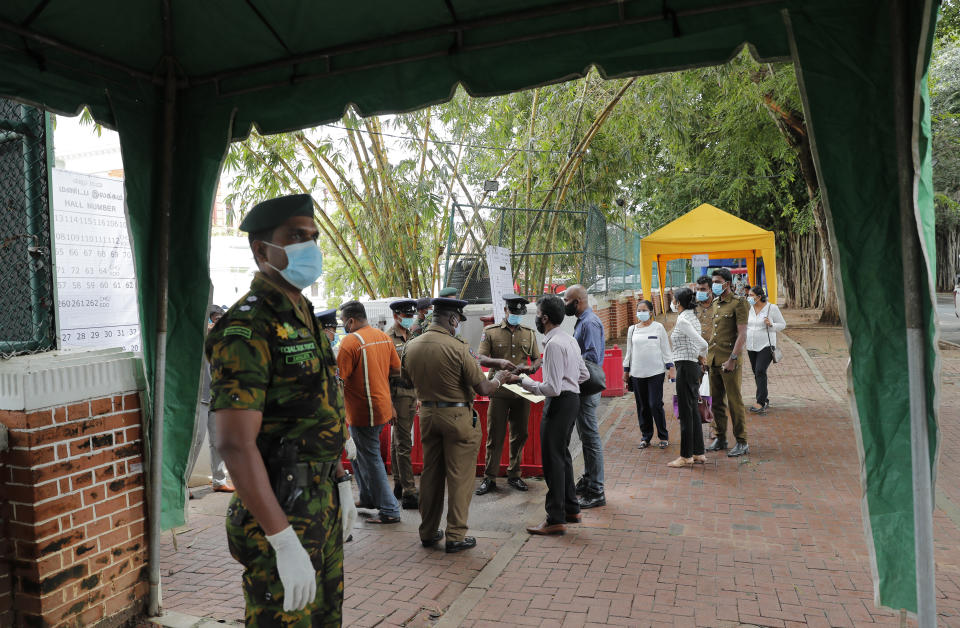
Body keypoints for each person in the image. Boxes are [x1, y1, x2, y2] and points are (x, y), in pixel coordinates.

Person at [206, 193, 353, 624]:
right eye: (296, 236)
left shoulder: (302, 311)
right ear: (262, 250)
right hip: (280, 507)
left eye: (313, 236)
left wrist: (340, 478)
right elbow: (234, 444)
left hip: (319, 498)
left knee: (326, 619)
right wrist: (282, 539)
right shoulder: (246, 326)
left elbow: (317, 409)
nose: (310, 246)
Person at [401, 297, 511, 553]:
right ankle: (456, 535)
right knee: (460, 478)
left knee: (431, 475)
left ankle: (427, 532)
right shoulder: (459, 347)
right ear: (452, 319)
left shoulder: (411, 346)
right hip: (458, 418)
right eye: (458, 321)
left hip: (426, 415)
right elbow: (484, 388)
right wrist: (500, 378)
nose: (457, 325)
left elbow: (406, 382)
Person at [507, 295, 588, 535]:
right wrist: (566, 380)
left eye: (538, 315)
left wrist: (524, 381)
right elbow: (583, 375)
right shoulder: (569, 339)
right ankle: (571, 508)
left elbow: (552, 387)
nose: (536, 319)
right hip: (572, 401)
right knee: (562, 456)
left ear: (545, 318)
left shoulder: (553, 344)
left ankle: (555, 518)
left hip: (559, 402)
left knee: (552, 461)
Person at [337, 300, 403, 524]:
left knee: (370, 459)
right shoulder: (383, 336)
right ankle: (367, 497)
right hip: (380, 407)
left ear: (351, 320)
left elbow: (338, 380)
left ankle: (389, 509)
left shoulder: (350, 343)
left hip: (364, 412)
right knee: (357, 455)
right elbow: (396, 369)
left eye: (343, 321)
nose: (343, 325)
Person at [476, 294, 542, 495]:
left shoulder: (529, 334)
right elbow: (481, 358)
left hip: (521, 390)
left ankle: (515, 474)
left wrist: (530, 369)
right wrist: (499, 363)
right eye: (513, 312)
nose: (516, 316)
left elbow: (537, 359)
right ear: (505, 311)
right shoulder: (491, 332)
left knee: (520, 434)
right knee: (495, 435)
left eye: (520, 313)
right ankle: (490, 477)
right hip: (499, 389)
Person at [563, 284, 606, 509]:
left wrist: (568, 359)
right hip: (583, 387)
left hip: (586, 388)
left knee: (590, 438)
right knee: (586, 436)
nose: (564, 305)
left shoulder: (589, 323)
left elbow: (591, 357)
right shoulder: (582, 321)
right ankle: (590, 479)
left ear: (578, 302)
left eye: (567, 301)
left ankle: (597, 489)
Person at [187, 305, 234, 496]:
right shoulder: (197, 338)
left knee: (219, 440)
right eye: (214, 319)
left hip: (218, 397)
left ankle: (219, 480)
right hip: (199, 397)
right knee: (195, 441)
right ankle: (181, 486)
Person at [705, 268, 750, 457]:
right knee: (716, 402)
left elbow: (742, 334)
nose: (714, 285)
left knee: (734, 401)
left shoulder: (739, 303)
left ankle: (742, 441)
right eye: (713, 281)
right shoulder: (715, 303)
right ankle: (720, 437)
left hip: (729, 360)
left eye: (717, 281)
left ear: (728, 284)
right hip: (714, 359)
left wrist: (732, 359)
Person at [667, 288, 710, 468]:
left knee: (686, 412)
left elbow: (703, 343)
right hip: (690, 366)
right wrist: (699, 358)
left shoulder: (683, 319)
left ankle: (686, 456)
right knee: (692, 410)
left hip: (685, 366)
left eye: (673, 300)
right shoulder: (692, 316)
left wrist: (703, 357)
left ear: (679, 302)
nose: (672, 303)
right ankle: (698, 452)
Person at [622, 300, 674, 449]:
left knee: (655, 404)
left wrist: (670, 368)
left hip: (655, 373)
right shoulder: (632, 330)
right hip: (637, 374)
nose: (641, 313)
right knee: (643, 406)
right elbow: (629, 352)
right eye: (639, 310)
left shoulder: (658, 328)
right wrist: (626, 371)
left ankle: (663, 436)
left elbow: (666, 350)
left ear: (651, 312)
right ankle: (646, 436)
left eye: (644, 310)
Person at [386, 299, 420, 509]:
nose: (409, 319)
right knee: (404, 442)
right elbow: (383, 374)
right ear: (396, 316)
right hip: (397, 394)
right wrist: (388, 404)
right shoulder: (387, 338)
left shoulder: (413, 335)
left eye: (411, 316)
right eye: (405, 316)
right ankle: (409, 490)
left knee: (397, 440)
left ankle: (398, 483)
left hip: (411, 393)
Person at [745, 285, 786, 414]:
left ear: (759, 297)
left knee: (760, 370)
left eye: (751, 296)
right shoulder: (748, 309)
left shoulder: (771, 308)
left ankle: (760, 402)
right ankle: (764, 397)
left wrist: (771, 324)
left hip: (766, 345)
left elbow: (783, 324)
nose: (749, 298)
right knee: (756, 372)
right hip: (751, 345)